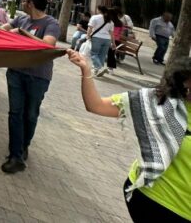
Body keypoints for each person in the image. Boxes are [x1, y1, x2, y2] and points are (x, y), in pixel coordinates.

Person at [67, 50, 190, 222]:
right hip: (155, 198)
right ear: (186, 80)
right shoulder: (158, 103)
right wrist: (86, 70)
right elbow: (96, 105)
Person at [0, 0, 60, 173]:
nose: (22, 3)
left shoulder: (51, 24)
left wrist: (23, 33)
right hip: (16, 73)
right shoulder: (21, 19)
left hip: (38, 77)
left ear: (31, 4)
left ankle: (24, 145)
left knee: (30, 115)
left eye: (24, 1)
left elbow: (47, 45)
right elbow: (3, 28)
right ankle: (15, 155)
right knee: (15, 113)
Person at [87, 6, 114, 76]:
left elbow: (90, 28)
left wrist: (88, 36)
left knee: (93, 54)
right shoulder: (110, 21)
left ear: (99, 10)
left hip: (97, 38)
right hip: (107, 40)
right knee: (102, 56)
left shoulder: (95, 17)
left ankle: (100, 68)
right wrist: (113, 43)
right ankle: (97, 71)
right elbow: (112, 34)